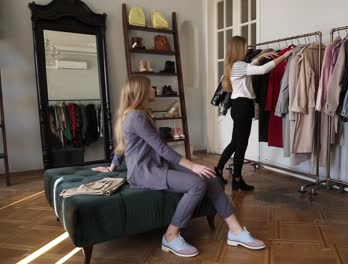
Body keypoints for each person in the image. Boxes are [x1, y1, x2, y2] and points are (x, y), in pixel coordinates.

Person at [92, 76, 265, 258]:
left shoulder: (140, 113)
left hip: (158, 165)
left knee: (211, 177)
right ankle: (170, 235)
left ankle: (235, 231)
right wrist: (192, 166)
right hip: (144, 172)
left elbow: (124, 144)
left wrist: (112, 166)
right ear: (141, 91)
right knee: (197, 184)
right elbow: (160, 147)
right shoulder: (136, 116)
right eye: (151, 87)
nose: (155, 89)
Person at [214, 36, 293, 191]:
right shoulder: (238, 65)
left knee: (235, 143)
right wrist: (284, 56)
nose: (247, 49)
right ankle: (237, 178)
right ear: (238, 49)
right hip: (242, 107)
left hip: (239, 107)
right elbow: (262, 70)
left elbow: (250, 67)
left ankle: (218, 169)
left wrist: (260, 57)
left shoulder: (235, 65)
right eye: (245, 46)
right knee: (241, 145)